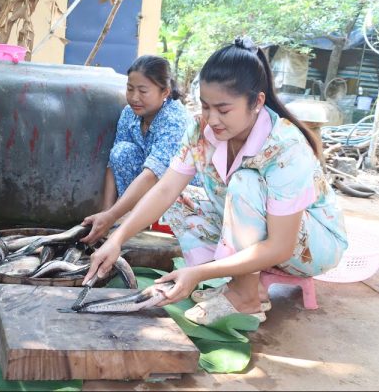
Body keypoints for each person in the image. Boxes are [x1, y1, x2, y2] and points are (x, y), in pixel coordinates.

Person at [83, 37, 348, 325]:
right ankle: (232, 284)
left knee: (245, 182)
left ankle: (245, 296)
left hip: (312, 245)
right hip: (265, 233)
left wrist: (200, 273)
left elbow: (282, 245)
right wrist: (117, 238)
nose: (211, 119)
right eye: (205, 106)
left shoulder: (286, 147)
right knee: (179, 201)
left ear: (257, 102)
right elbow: (166, 188)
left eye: (223, 109)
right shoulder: (200, 129)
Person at [80, 55, 193, 244]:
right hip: (147, 185)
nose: (134, 97)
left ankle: (136, 220)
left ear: (164, 92)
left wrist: (113, 216)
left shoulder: (174, 120)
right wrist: (107, 213)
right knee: (121, 152)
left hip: (177, 192)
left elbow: (153, 174)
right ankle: (130, 217)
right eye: (130, 89)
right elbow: (113, 163)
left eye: (143, 91)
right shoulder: (129, 113)